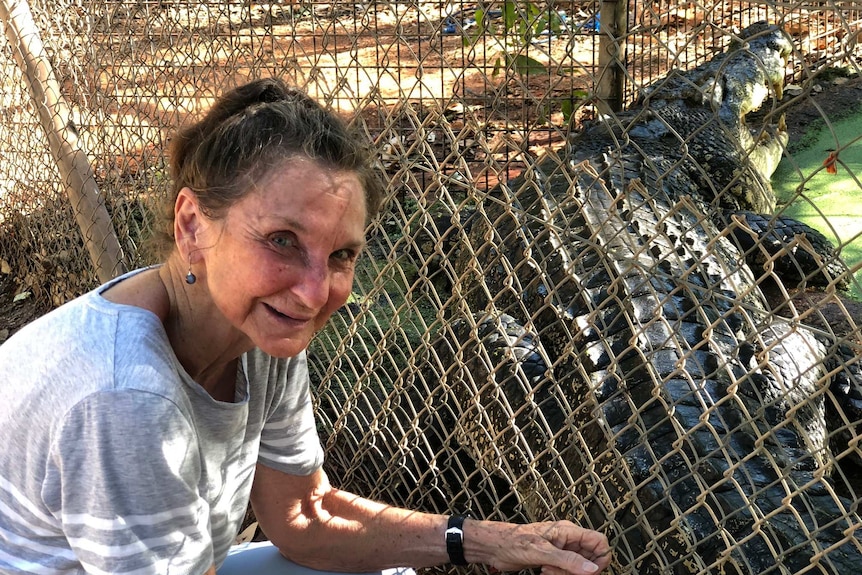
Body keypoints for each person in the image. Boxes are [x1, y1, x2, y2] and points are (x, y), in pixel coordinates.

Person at [0, 78, 611, 574]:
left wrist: (489, 541)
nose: (316, 293)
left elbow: (304, 517)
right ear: (192, 227)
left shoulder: (257, 329)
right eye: (282, 240)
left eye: (341, 255)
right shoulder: (126, 399)